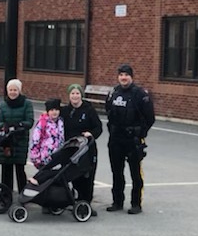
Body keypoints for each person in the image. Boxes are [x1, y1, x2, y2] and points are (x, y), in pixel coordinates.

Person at [105, 64, 155, 214]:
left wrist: (140, 133)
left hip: (133, 140)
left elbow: (150, 118)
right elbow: (108, 111)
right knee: (116, 172)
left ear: (131, 77)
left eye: (126, 75)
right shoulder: (113, 92)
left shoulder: (140, 94)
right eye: (121, 75)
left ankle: (136, 203)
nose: (123, 78)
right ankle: (117, 202)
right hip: (116, 139)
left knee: (135, 173)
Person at [60, 83, 103, 211]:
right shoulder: (65, 111)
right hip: (71, 149)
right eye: (72, 93)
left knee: (88, 176)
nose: (75, 96)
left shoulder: (89, 110)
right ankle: (77, 200)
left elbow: (98, 127)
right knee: (73, 174)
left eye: (77, 93)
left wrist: (91, 134)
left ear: (81, 95)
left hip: (87, 149)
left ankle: (86, 202)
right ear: (69, 96)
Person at [0, 78, 34, 194]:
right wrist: (4, 126)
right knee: (6, 169)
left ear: (19, 91)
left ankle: (23, 192)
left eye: (15, 90)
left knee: (19, 168)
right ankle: (6, 193)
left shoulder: (26, 104)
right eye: (10, 90)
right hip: (7, 141)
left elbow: (30, 121)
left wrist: (19, 125)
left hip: (20, 140)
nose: (13, 92)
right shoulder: (3, 105)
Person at [29, 98, 65, 169]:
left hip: (57, 158)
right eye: (52, 110)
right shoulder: (43, 123)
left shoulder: (61, 122)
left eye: (56, 110)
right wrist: (35, 157)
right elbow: (35, 140)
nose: (54, 112)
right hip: (44, 158)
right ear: (47, 111)